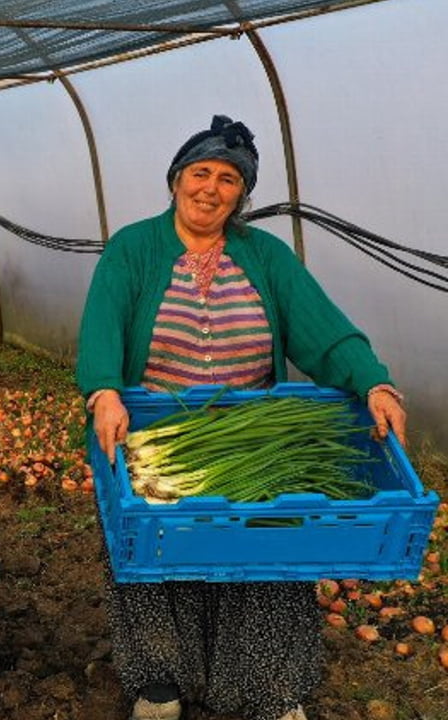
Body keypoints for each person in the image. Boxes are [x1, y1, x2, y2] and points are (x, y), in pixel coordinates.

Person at [76, 115, 407, 720]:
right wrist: (103, 391)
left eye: (229, 179)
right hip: (156, 433)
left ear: (242, 193)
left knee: (267, 558)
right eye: (200, 173)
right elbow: (102, 324)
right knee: (155, 562)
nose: (211, 188)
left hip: (255, 435)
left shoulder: (267, 256)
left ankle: (268, 689)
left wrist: (374, 381)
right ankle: (159, 683)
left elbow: (323, 330)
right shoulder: (135, 247)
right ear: (176, 179)